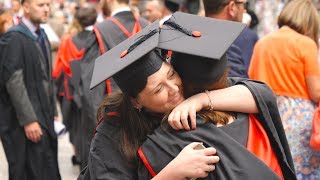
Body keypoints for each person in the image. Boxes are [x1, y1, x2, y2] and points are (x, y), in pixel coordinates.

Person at [80, 14, 276, 179]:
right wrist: (170, 174)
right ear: (136, 101)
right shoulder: (113, 132)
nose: (173, 88)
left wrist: (199, 100)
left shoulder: (191, 94)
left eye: (171, 75)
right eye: (158, 90)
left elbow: (259, 95)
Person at [138, 12, 296, 179]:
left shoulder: (164, 143)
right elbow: (262, 93)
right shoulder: (251, 107)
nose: (173, 89)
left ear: (180, 76)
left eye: (171, 76)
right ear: (225, 73)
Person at [248, 0, 320, 178]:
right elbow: (316, 91)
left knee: (276, 168)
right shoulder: (305, 44)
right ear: (309, 21)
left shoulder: (262, 43)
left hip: (268, 115)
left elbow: (251, 81)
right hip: (300, 121)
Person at [77, 0, 149, 169]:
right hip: (148, 119)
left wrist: (96, 130)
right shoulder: (148, 25)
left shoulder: (100, 31)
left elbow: (91, 89)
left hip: (114, 120)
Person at [0, 0, 61, 179]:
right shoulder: (13, 38)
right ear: (26, 7)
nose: (46, 9)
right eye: (41, 5)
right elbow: (13, 82)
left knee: (46, 167)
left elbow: (47, 78)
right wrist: (29, 120)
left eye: (48, 5)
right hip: (25, 122)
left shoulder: (41, 35)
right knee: (29, 170)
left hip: (44, 116)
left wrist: (53, 110)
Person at [52, 5, 97, 166]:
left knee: (75, 126)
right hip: (93, 89)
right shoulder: (98, 38)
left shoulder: (68, 40)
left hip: (72, 90)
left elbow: (61, 66)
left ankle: (78, 155)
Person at [202, 0, 248, 78]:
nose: (244, 10)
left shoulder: (193, 37)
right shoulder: (226, 48)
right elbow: (238, 86)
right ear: (232, 7)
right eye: (243, 4)